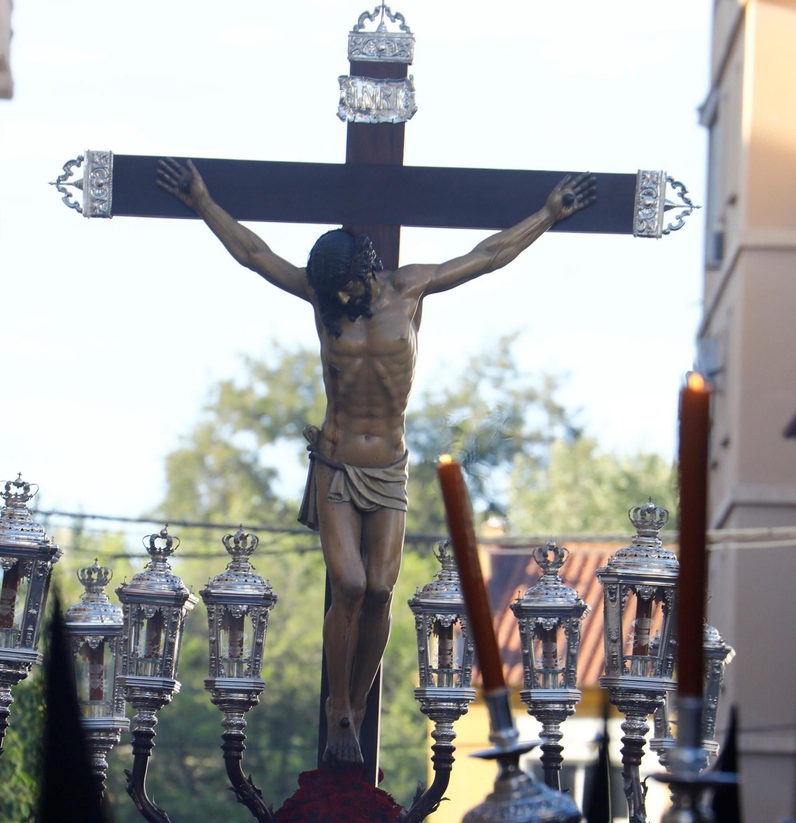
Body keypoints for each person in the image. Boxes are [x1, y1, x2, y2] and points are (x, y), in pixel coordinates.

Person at [157, 158, 595, 764]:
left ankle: (357, 707)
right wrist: (205, 203)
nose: (340, 299)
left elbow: (487, 255)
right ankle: (336, 703)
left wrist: (546, 215)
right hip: (336, 464)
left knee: (384, 590)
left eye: (347, 287)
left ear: (367, 270)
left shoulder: (409, 288)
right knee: (352, 585)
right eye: (331, 291)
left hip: (388, 468)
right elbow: (256, 255)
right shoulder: (324, 298)